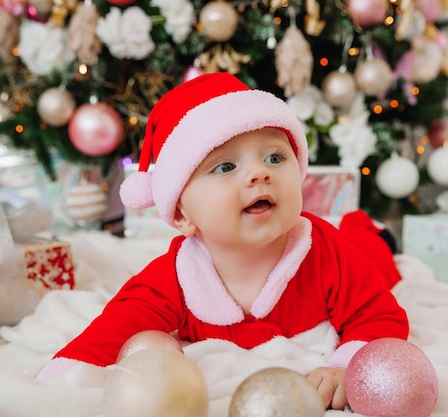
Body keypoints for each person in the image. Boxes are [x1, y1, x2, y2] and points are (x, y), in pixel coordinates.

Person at [37, 72, 409, 410]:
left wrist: (348, 367)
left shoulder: (323, 250)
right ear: (183, 216)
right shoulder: (174, 276)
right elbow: (110, 332)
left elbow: (379, 316)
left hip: (353, 248)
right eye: (226, 166)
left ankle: (365, 228)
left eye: (275, 156)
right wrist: (59, 377)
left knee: (377, 259)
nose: (260, 173)